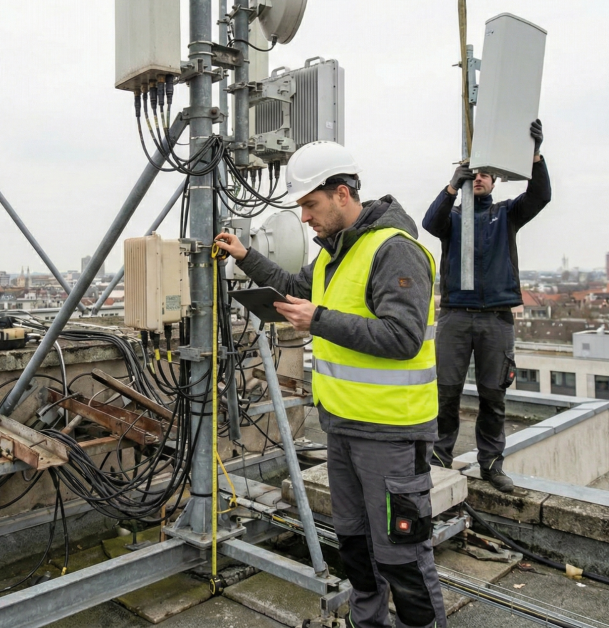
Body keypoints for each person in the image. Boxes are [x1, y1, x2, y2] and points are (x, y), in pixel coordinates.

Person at [215, 141, 446, 628]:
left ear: (342, 194)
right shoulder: (331, 257)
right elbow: (294, 288)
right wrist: (245, 256)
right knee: (357, 550)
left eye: (309, 205)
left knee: (401, 556)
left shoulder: (395, 251)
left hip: (391, 431)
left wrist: (319, 319)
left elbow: (402, 337)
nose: (303, 218)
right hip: (342, 428)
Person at [422, 120, 551, 492]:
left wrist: (535, 155)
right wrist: (450, 185)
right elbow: (431, 223)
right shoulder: (454, 219)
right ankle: (439, 459)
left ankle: (491, 464)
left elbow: (540, 196)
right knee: (445, 393)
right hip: (455, 318)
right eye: (473, 174)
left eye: (484, 175)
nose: (478, 179)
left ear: (495, 181)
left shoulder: (506, 214)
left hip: (496, 319)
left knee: (493, 396)